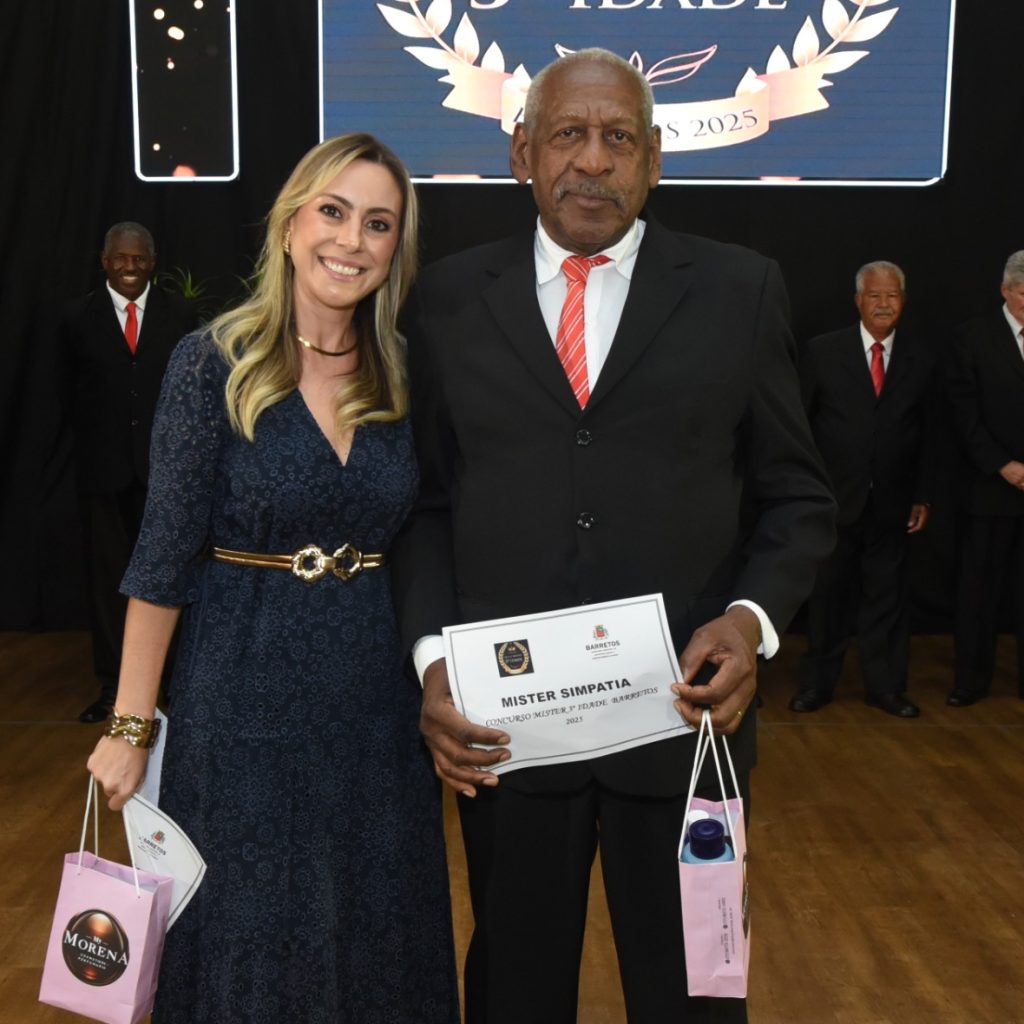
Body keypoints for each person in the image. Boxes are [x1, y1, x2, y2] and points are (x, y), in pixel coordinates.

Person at [392, 49, 835, 1024]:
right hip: (507, 734)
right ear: (522, 153)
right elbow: (424, 502)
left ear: (654, 160)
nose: (592, 160)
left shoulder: (741, 289)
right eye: (568, 134)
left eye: (618, 138)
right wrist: (433, 660)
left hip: (685, 725)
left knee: (692, 999)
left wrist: (750, 621)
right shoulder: (448, 299)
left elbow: (798, 496)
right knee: (513, 994)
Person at [87, 134, 459, 1023]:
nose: (352, 240)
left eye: (379, 223)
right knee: (250, 938)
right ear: (291, 225)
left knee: (375, 925)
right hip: (241, 701)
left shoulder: (406, 376)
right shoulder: (210, 364)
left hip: (376, 712)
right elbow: (161, 560)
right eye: (333, 212)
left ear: (397, 248)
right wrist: (131, 727)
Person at [57, 222, 197, 723]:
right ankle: (115, 688)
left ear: (153, 262)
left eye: (139, 258)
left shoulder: (181, 315)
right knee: (108, 585)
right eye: (121, 258)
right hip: (104, 475)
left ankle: (174, 685)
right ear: (104, 262)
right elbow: (65, 395)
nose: (130, 267)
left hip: (168, 475)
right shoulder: (76, 318)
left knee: (171, 579)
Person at [789, 262, 935, 718]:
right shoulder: (823, 351)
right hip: (833, 500)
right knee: (828, 598)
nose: (884, 304)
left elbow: (931, 432)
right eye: (875, 295)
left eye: (892, 296)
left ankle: (886, 688)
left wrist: (923, 494)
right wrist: (806, 493)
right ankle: (817, 685)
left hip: (894, 502)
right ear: (858, 301)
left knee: (887, 599)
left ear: (903, 301)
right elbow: (798, 425)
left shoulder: (921, 356)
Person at [946, 250, 1024, 706]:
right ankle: (971, 682)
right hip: (988, 487)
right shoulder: (972, 337)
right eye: (1023, 293)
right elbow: (963, 414)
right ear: (1005, 290)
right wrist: (1004, 466)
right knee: (979, 592)